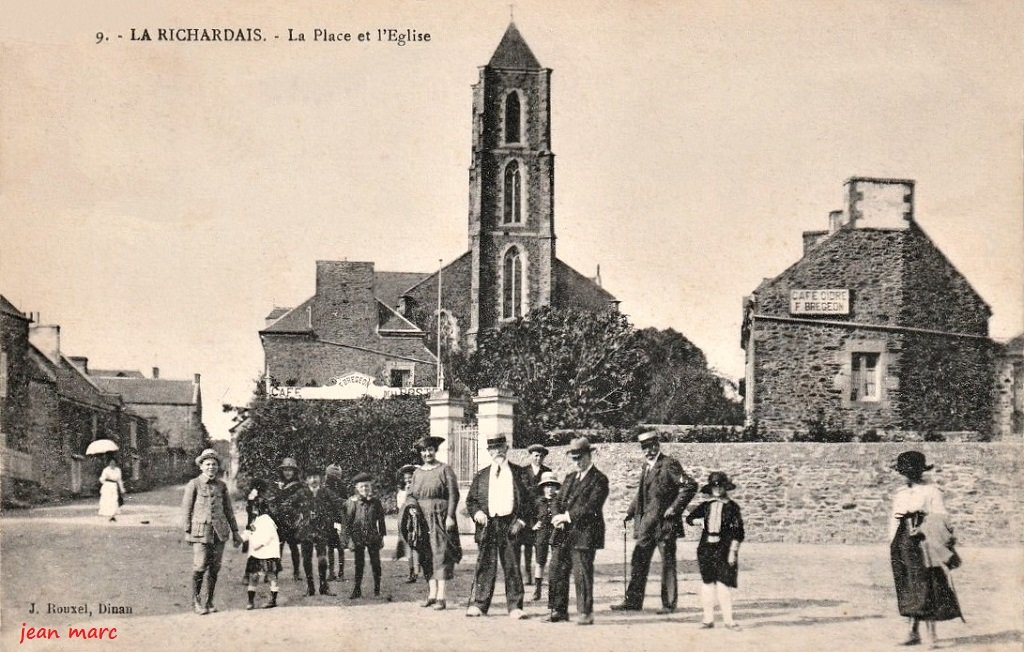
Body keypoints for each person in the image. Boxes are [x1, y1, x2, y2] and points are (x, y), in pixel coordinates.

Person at [613, 432, 697, 614]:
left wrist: (674, 508)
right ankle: (633, 601)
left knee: (667, 563)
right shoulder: (646, 467)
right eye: (644, 448)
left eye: (651, 446)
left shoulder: (669, 464)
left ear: (658, 446)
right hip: (647, 524)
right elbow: (642, 494)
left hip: (665, 526)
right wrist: (629, 511)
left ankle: (668, 604)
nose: (648, 451)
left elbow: (690, 485)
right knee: (639, 560)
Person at [889, 451, 963, 648]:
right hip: (903, 543)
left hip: (924, 542)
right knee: (908, 584)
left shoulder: (931, 491)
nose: (909, 474)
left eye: (912, 470)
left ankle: (932, 636)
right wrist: (894, 543)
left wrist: (922, 528)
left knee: (928, 585)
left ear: (921, 471)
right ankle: (912, 633)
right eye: (905, 471)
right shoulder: (900, 493)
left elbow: (941, 517)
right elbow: (894, 520)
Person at [465, 435, 535, 619]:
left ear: (507, 447)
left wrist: (521, 521)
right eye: (493, 449)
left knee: (511, 565)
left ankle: (515, 606)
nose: (498, 452)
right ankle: (480, 605)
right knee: (485, 565)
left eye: (501, 447)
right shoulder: (481, 475)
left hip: (510, 524)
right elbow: (471, 501)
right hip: (488, 525)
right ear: (489, 452)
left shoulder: (520, 473)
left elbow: (530, 501)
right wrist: (477, 513)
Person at [543, 437, 609, 626]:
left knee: (582, 574)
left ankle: (585, 613)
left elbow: (592, 507)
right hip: (564, 532)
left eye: (580, 458)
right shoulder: (570, 478)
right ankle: (558, 610)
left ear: (589, 455)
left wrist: (567, 517)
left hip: (585, 534)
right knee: (556, 569)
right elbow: (556, 499)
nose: (577, 462)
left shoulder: (599, 479)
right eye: (573, 458)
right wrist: (556, 516)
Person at [401, 435, 461, 610]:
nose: (427, 453)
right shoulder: (418, 473)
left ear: (435, 451)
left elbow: (453, 494)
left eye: (430, 450)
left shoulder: (445, 469)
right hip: (421, 520)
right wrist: (412, 507)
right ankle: (432, 594)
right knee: (425, 555)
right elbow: (411, 495)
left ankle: (442, 596)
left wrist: (450, 516)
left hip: (440, 517)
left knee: (441, 554)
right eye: (424, 451)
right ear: (420, 453)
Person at [182, 448, 242, 615]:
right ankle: (196, 601)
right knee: (200, 565)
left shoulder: (222, 486)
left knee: (215, 567)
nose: (211, 467)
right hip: (200, 532)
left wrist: (235, 531)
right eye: (207, 464)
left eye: (214, 464)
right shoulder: (193, 484)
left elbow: (229, 510)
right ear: (201, 466)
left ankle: (209, 601)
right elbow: (186, 510)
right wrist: (187, 531)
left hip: (219, 532)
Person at [685, 471, 745, 630]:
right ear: (710, 488)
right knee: (707, 583)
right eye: (714, 486)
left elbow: (739, 532)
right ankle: (708, 619)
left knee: (724, 584)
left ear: (726, 487)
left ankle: (729, 621)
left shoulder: (732, 507)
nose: (717, 490)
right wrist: (699, 522)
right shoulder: (705, 506)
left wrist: (733, 551)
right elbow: (689, 519)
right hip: (706, 548)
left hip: (724, 548)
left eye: (720, 486)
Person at [296, 469, 343, 597]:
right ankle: (310, 587)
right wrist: (297, 517)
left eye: (316, 477)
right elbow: (288, 506)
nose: (313, 480)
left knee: (322, 558)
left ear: (320, 479)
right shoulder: (301, 493)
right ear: (306, 480)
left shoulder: (326, 492)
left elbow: (339, 503)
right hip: (305, 530)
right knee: (306, 559)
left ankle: (324, 587)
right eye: (310, 477)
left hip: (322, 529)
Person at [344, 472, 387, 599]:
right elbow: (347, 522)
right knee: (359, 564)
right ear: (357, 488)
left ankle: (377, 589)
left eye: (367, 486)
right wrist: (349, 539)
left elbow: (381, 520)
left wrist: (382, 537)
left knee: (376, 563)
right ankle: (357, 589)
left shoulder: (376, 502)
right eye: (362, 487)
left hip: (373, 536)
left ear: (371, 487)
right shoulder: (352, 502)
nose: (364, 489)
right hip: (358, 537)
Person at [519, 444, 551, 585]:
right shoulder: (523, 471)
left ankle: (539, 574)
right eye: (536, 455)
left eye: (541, 456)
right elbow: (521, 492)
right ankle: (527, 574)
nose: (538, 458)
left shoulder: (547, 471)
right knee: (527, 545)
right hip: (527, 512)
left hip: (542, 512)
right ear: (531, 456)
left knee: (541, 544)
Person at [244, 497, 282, 609]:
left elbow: (268, 536)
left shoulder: (267, 520)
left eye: (254, 508)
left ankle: (272, 600)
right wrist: (241, 538)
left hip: (267, 553)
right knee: (254, 576)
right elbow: (250, 531)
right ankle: (250, 601)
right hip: (257, 553)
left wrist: (258, 545)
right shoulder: (256, 520)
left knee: (271, 575)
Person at [272, 458, 305, 582]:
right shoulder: (278, 485)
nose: (288, 473)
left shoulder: (299, 485)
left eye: (290, 470)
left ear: (295, 472)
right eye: (285, 470)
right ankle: (274, 571)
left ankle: (296, 572)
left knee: (293, 547)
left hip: (292, 520)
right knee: (277, 547)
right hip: (279, 520)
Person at [529, 471, 560, 602]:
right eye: (547, 486)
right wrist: (533, 525)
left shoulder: (560, 501)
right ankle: (537, 589)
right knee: (540, 561)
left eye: (552, 485)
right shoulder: (538, 502)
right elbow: (530, 515)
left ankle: (554, 591)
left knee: (556, 561)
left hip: (556, 532)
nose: (549, 489)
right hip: (541, 532)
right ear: (542, 487)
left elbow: (565, 514)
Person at [394, 464, 420, 583]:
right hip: (405, 520)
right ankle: (411, 570)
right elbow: (400, 507)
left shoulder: (419, 490)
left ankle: (417, 570)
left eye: (410, 478)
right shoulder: (401, 493)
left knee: (417, 545)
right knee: (408, 545)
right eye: (406, 479)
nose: (408, 481)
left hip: (417, 519)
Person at [324, 463, 348, 581]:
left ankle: (340, 572)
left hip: (339, 519)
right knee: (332, 547)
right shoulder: (326, 488)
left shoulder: (341, 487)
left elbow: (345, 502)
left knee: (339, 547)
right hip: (330, 519)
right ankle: (333, 572)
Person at [97, 457, 126, 522]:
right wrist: (106, 484)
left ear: (115, 463)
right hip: (107, 486)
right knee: (107, 499)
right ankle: (106, 511)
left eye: (114, 462)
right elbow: (101, 479)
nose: (112, 463)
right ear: (109, 463)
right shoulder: (106, 470)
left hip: (114, 486)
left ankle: (114, 511)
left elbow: (119, 480)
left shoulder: (118, 470)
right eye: (111, 462)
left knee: (114, 498)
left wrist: (122, 489)